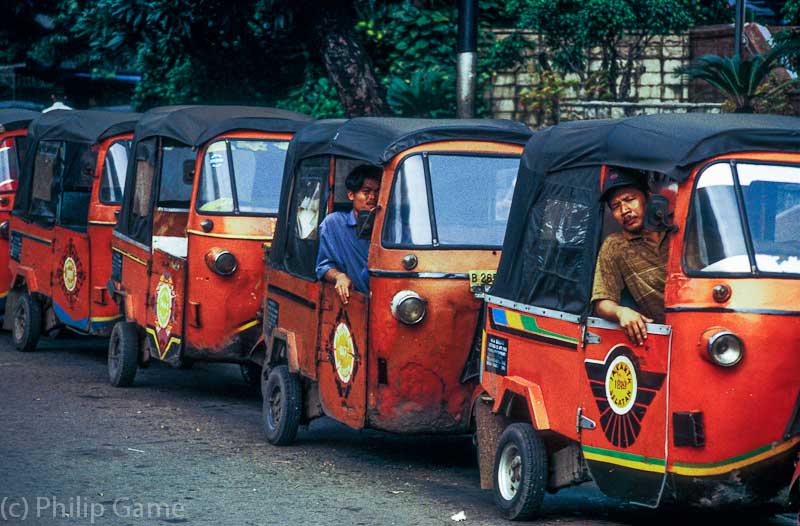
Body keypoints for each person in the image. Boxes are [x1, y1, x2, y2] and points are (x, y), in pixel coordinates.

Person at [591, 168, 670, 346]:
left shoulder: (678, 229)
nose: (624, 210)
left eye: (629, 199)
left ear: (648, 197)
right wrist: (621, 312)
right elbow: (602, 302)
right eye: (616, 207)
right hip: (663, 338)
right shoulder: (615, 246)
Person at [316, 165, 381, 305]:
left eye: (377, 192)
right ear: (351, 195)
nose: (373, 197)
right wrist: (339, 276)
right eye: (366, 191)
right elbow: (323, 266)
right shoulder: (334, 223)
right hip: (355, 303)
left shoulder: (392, 226)